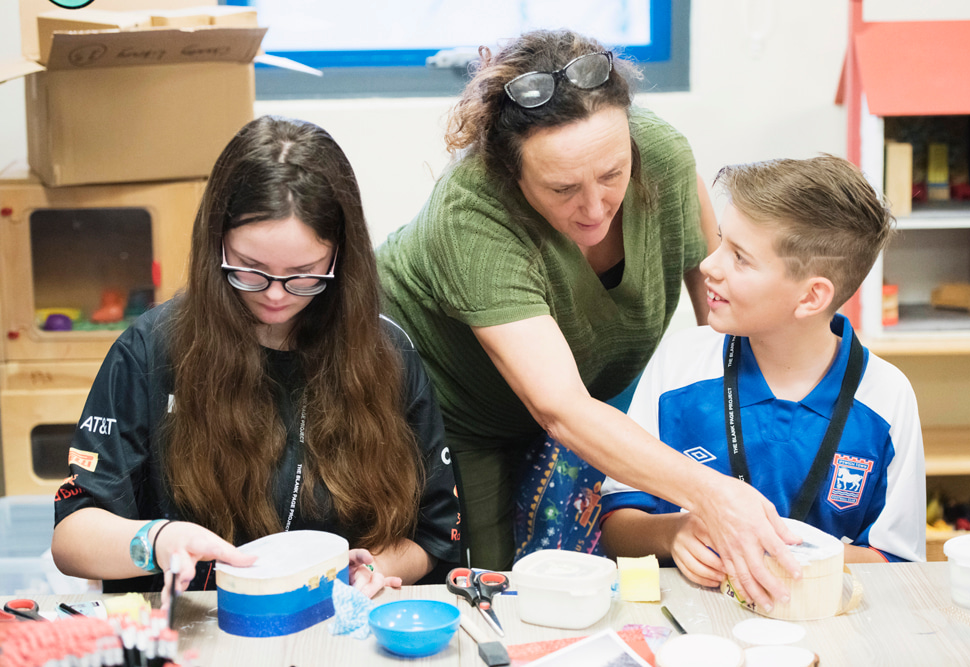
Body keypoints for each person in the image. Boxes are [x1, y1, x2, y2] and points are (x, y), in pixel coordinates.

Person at [376, 28, 801, 607]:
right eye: (562, 188)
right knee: (496, 588)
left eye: (611, 174)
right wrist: (714, 495)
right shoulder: (471, 212)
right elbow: (561, 409)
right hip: (459, 410)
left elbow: (720, 316)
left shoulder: (664, 156)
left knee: (608, 575)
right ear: (512, 177)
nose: (597, 206)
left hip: (595, 384)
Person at [51, 116, 461, 597]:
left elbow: (435, 535)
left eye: (304, 274)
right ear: (216, 244)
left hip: (335, 623)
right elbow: (71, 536)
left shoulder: (386, 353)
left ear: (341, 257)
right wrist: (157, 539)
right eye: (250, 269)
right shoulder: (151, 350)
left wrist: (370, 572)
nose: (275, 297)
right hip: (197, 627)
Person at [600, 156, 927, 587]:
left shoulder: (887, 396)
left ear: (811, 297)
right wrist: (673, 534)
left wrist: (782, 555)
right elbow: (616, 528)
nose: (708, 267)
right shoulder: (679, 363)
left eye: (740, 258)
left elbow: (899, 563)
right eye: (720, 243)